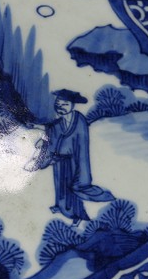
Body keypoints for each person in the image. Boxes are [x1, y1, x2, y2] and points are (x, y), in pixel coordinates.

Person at [27, 89, 114, 226]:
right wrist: (37, 127)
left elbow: (82, 142)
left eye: (65, 104)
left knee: (72, 187)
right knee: (60, 186)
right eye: (58, 104)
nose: (60, 107)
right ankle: (61, 207)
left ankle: (76, 215)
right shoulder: (59, 121)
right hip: (60, 161)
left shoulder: (79, 120)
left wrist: (80, 163)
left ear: (72, 105)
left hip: (74, 161)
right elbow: (51, 129)